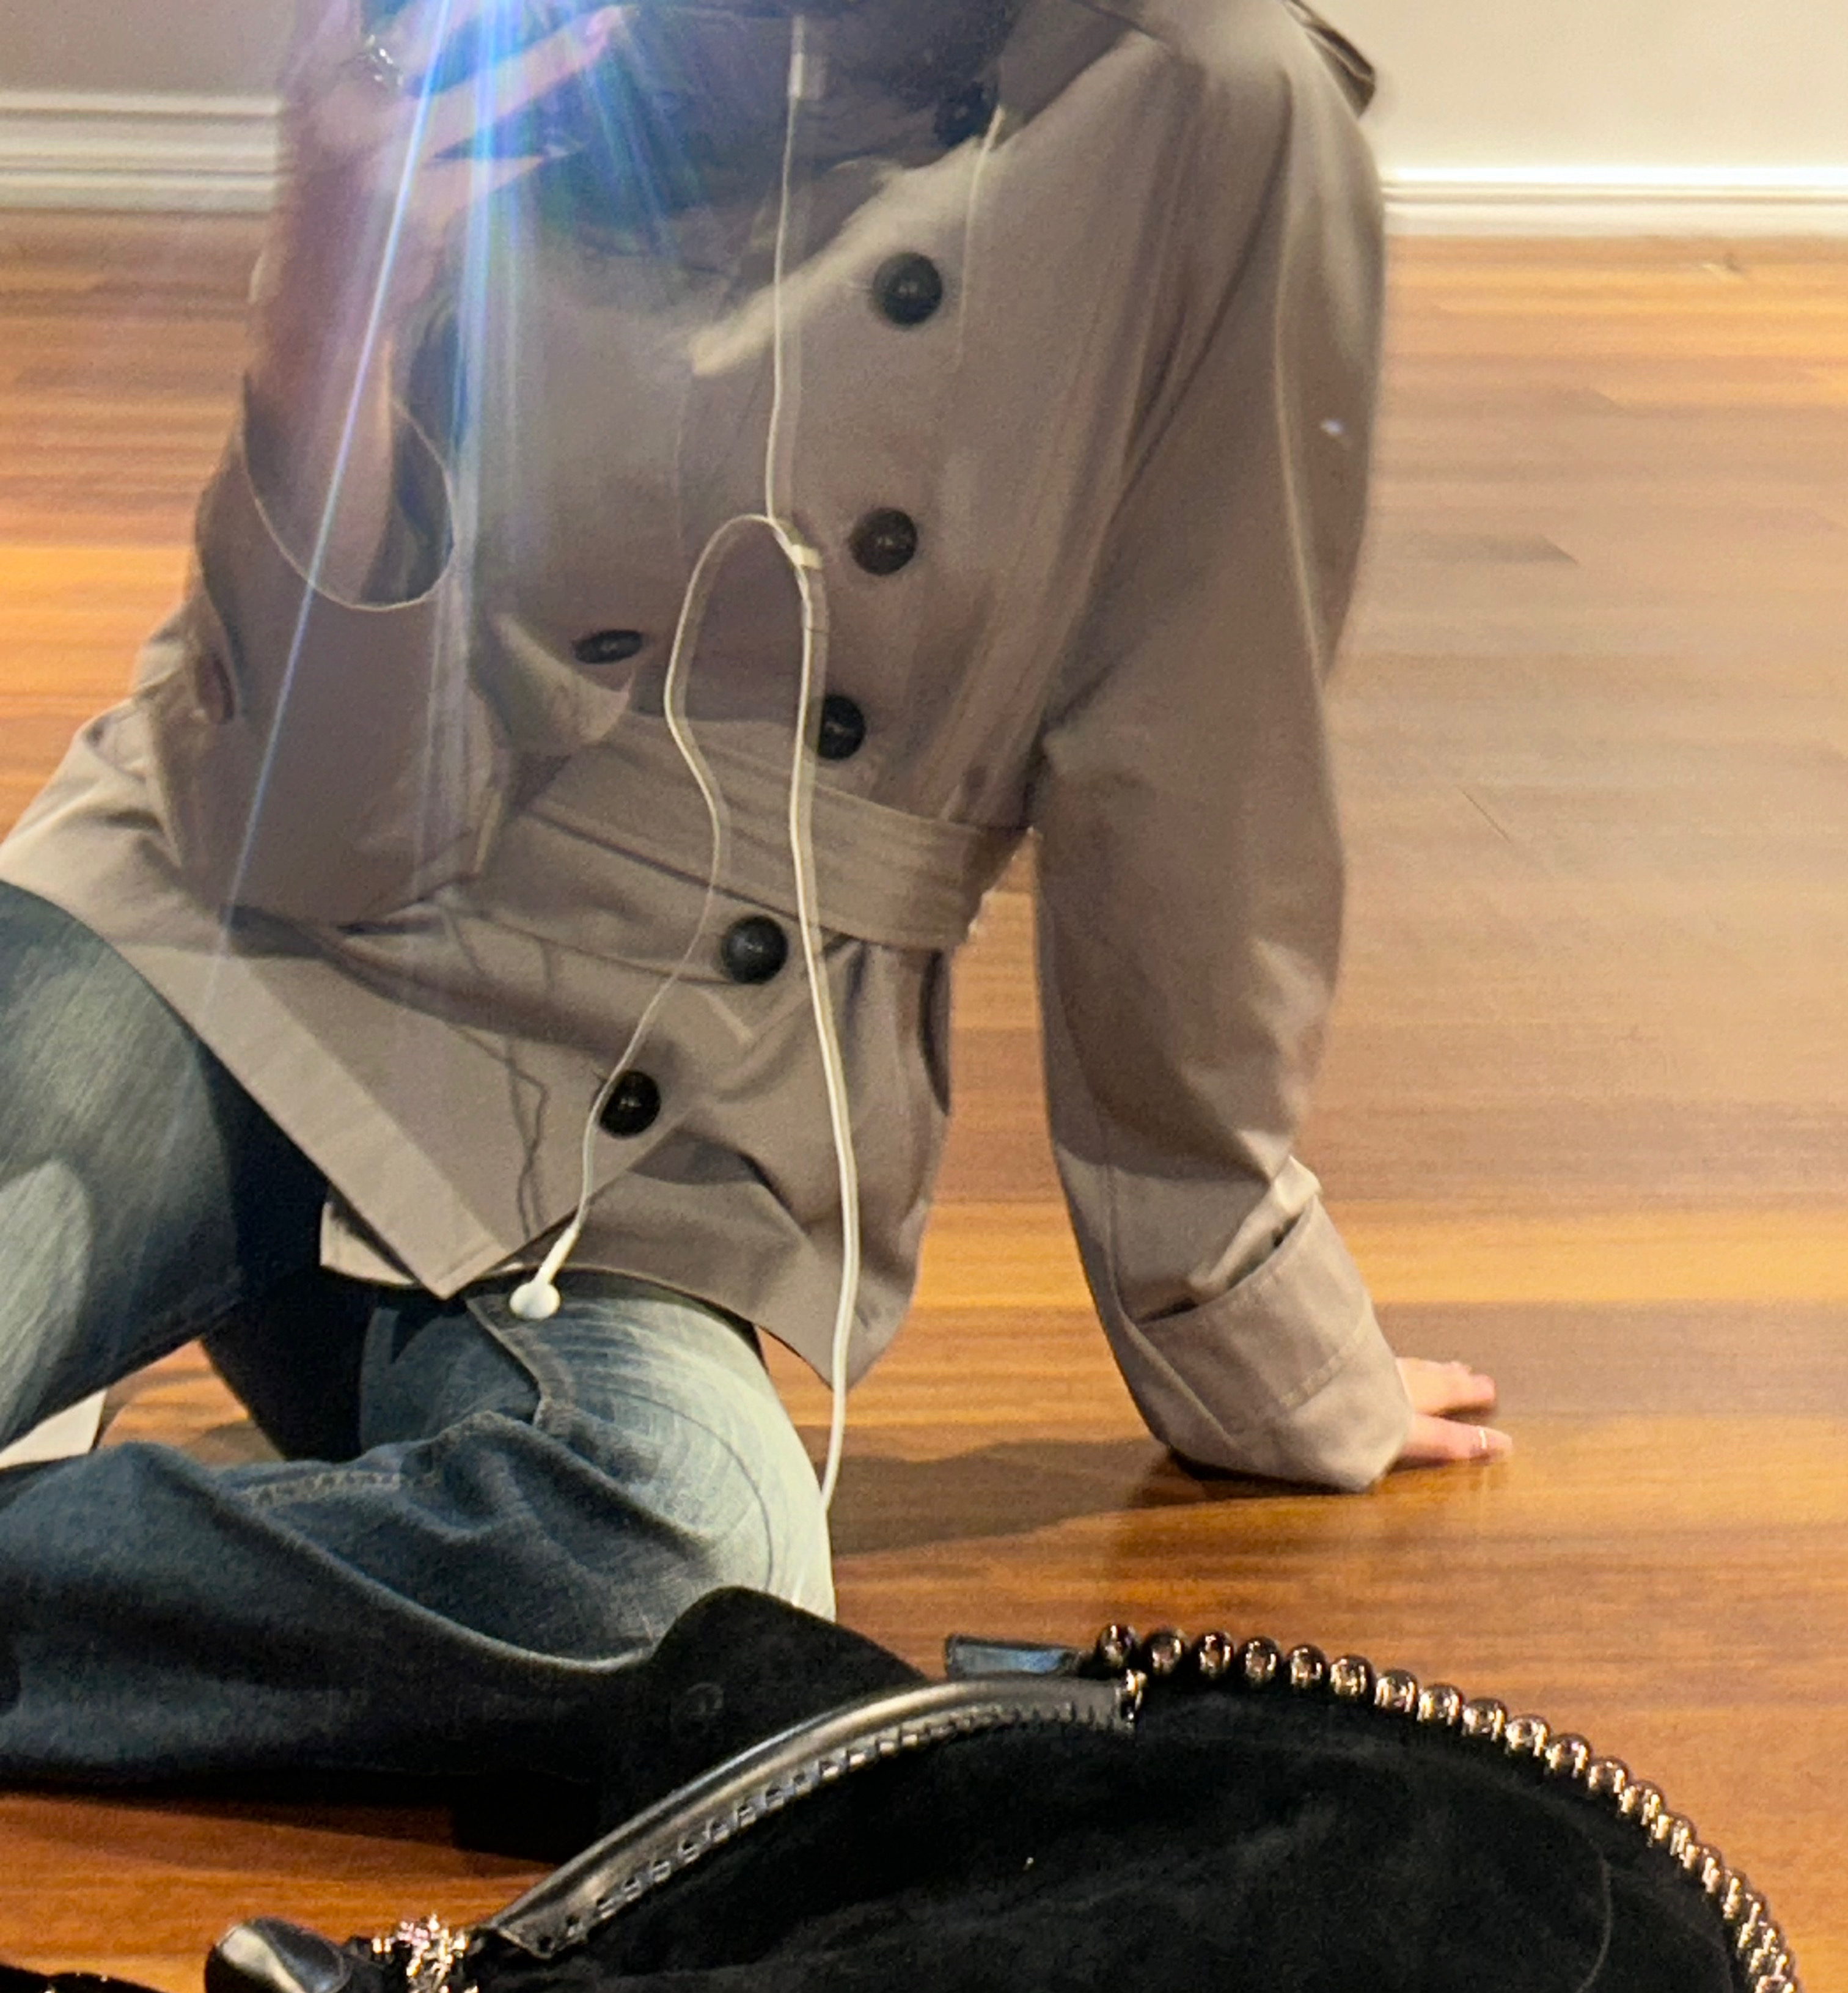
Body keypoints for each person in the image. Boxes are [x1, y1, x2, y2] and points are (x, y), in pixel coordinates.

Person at [0, 0, 1506, 1796]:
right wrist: (322, 314)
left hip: (657, 1115)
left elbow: (1202, 765)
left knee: (685, 1585)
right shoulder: (513, 37)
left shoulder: (1199, 96)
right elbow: (310, 834)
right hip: (221, 938)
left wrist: (1243, 1316)